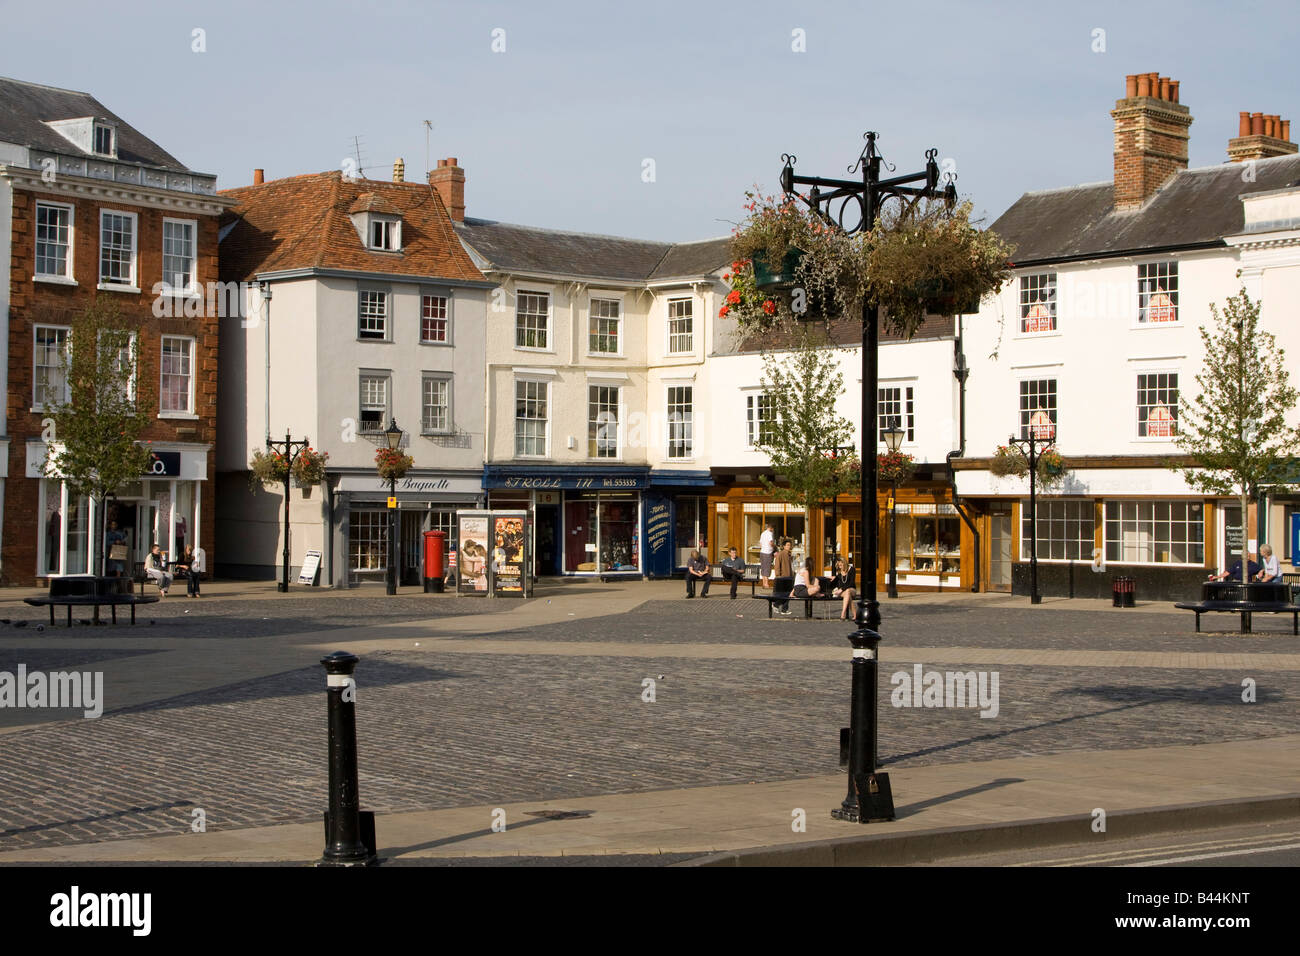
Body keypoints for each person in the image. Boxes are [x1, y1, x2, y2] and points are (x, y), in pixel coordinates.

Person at [772, 538, 795, 615]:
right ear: (784, 546)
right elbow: (777, 565)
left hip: (789, 577)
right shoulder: (781, 554)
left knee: (788, 594)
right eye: (787, 545)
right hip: (782, 578)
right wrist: (778, 575)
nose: (789, 546)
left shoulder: (789, 554)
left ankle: (784, 609)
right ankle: (776, 605)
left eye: (790, 545)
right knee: (784, 594)